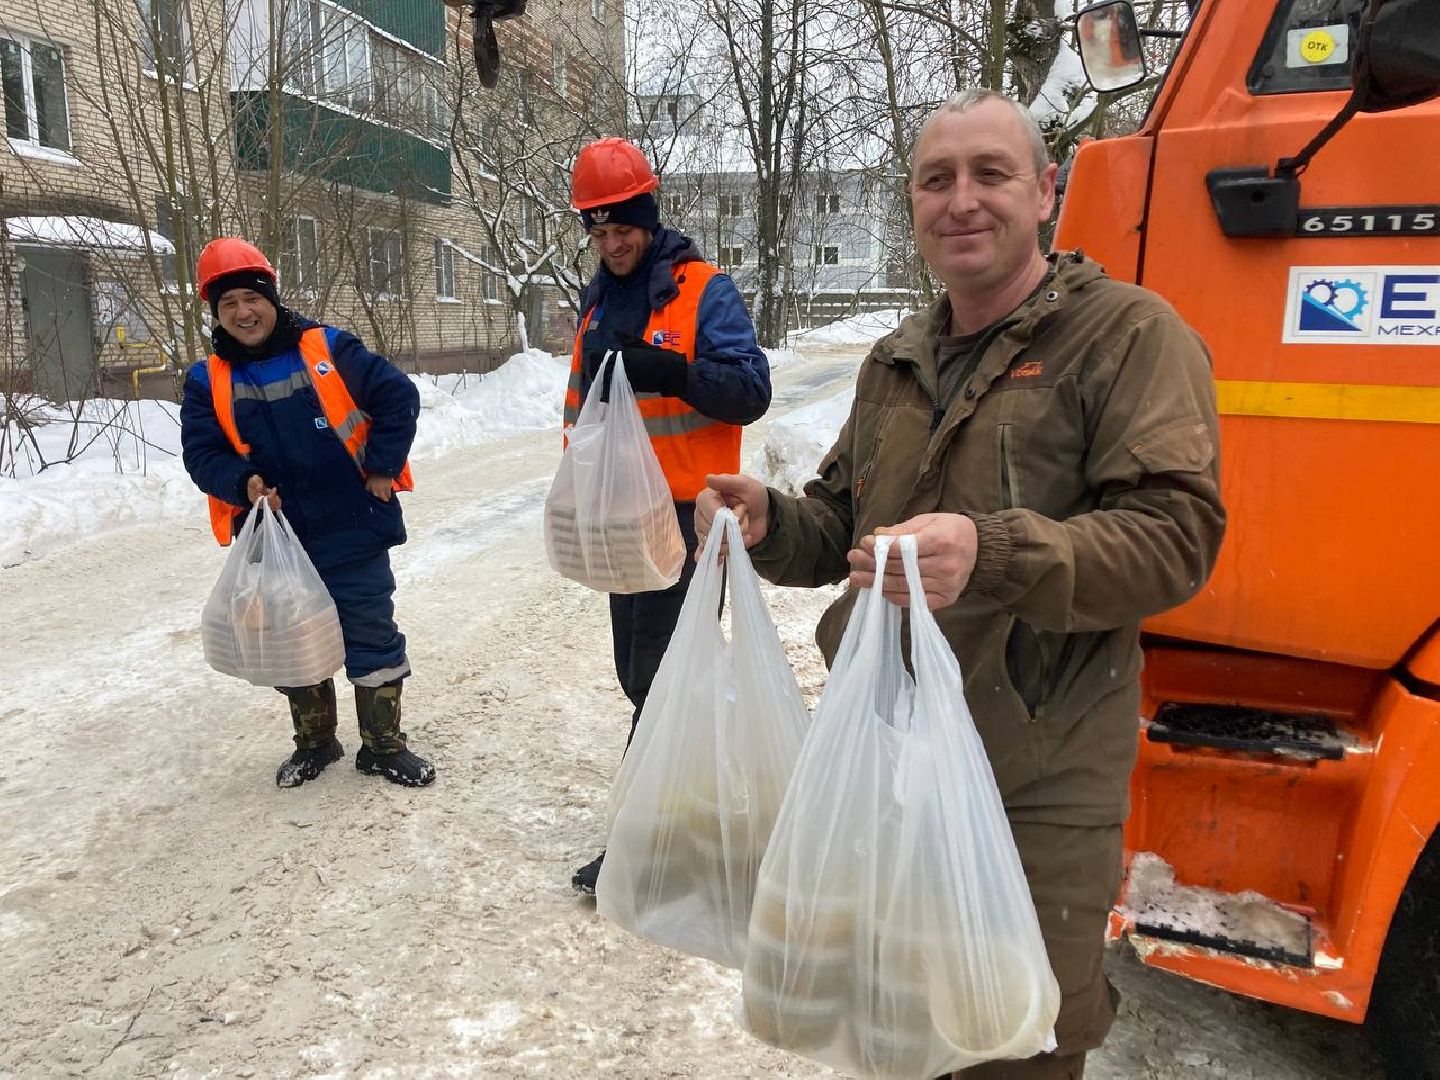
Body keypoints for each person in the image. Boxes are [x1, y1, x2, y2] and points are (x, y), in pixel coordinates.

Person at [697, 90, 1226, 1079]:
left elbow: (1176, 539)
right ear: (913, 203)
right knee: (894, 1019)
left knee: (1010, 1043)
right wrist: (772, 522)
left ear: (1044, 190)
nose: (962, 200)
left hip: (1033, 785)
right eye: (937, 180)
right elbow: (841, 530)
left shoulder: (1128, 338)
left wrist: (993, 553)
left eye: (991, 173)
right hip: (888, 763)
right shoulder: (894, 361)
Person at [565, 138, 772, 894]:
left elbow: (749, 390)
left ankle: (642, 842)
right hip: (624, 518)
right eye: (598, 229)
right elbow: (582, 412)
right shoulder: (595, 304)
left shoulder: (703, 291)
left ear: (649, 218)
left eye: (623, 227)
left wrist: (674, 373)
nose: (612, 242)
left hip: (690, 519)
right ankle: (692, 809)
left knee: (660, 675)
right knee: (641, 672)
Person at [180, 237, 435, 789]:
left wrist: (382, 468)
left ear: (271, 297)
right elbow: (201, 455)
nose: (244, 312)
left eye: (252, 298)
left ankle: (384, 745)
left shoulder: (329, 348)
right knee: (292, 637)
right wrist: (242, 483)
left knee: (370, 632)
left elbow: (398, 399)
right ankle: (317, 743)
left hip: (353, 526)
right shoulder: (207, 381)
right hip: (278, 540)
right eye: (229, 305)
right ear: (216, 314)